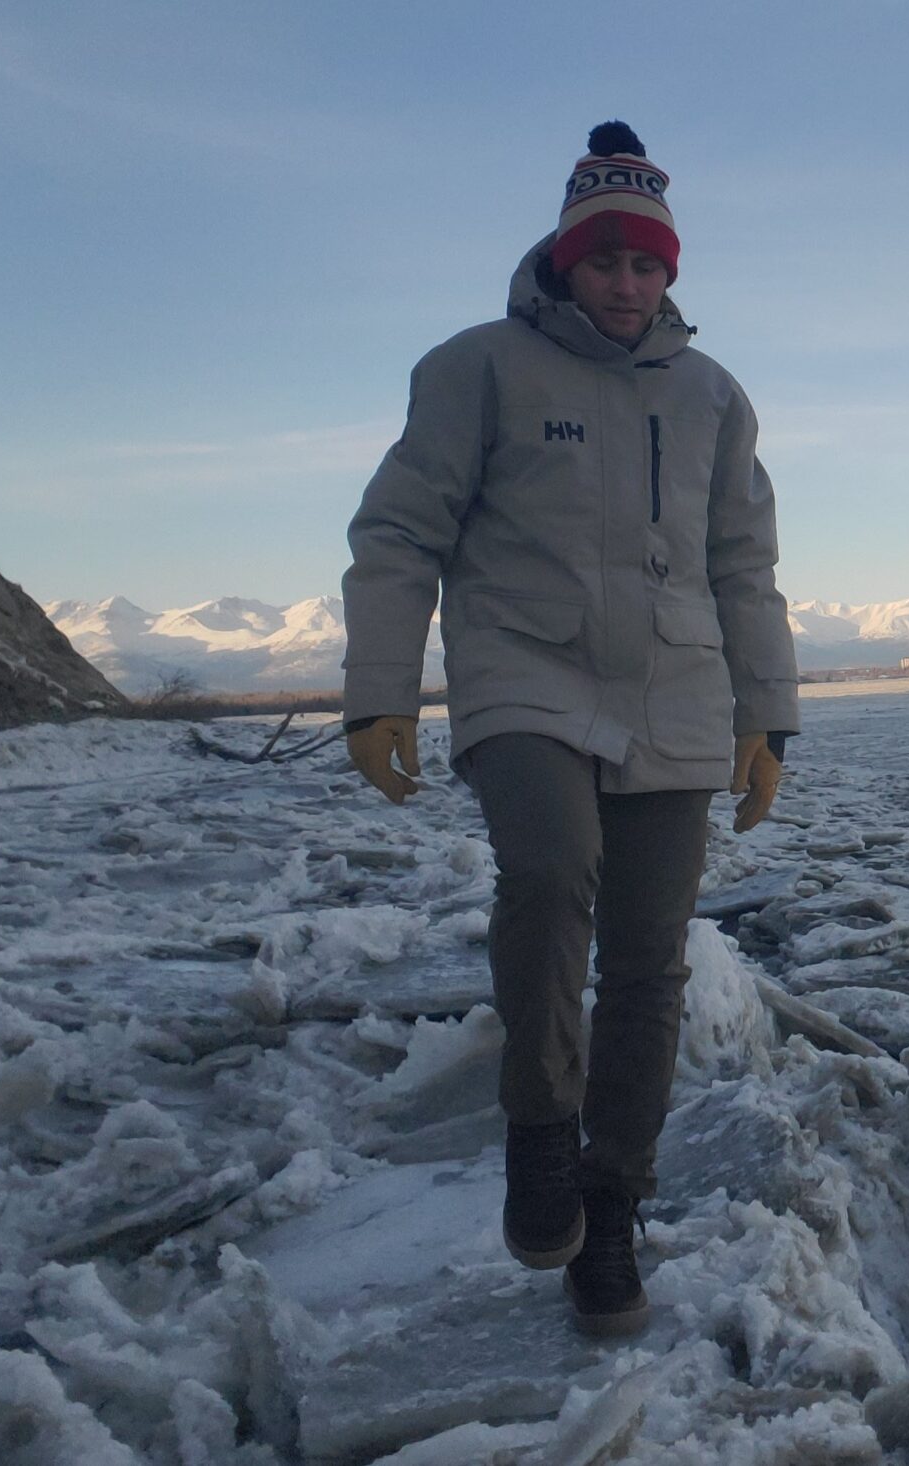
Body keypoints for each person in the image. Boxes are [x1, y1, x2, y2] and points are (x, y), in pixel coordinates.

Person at [338, 120, 800, 1336]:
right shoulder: (475, 368)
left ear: (670, 273)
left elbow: (745, 565)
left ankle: (612, 1201)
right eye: (605, 260)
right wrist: (381, 684)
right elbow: (399, 533)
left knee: (648, 961)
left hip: (674, 691)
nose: (627, 284)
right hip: (524, 670)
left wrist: (770, 716)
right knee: (549, 875)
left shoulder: (712, 396)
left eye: (648, 264)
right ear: (564, 258)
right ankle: (541, 1130)